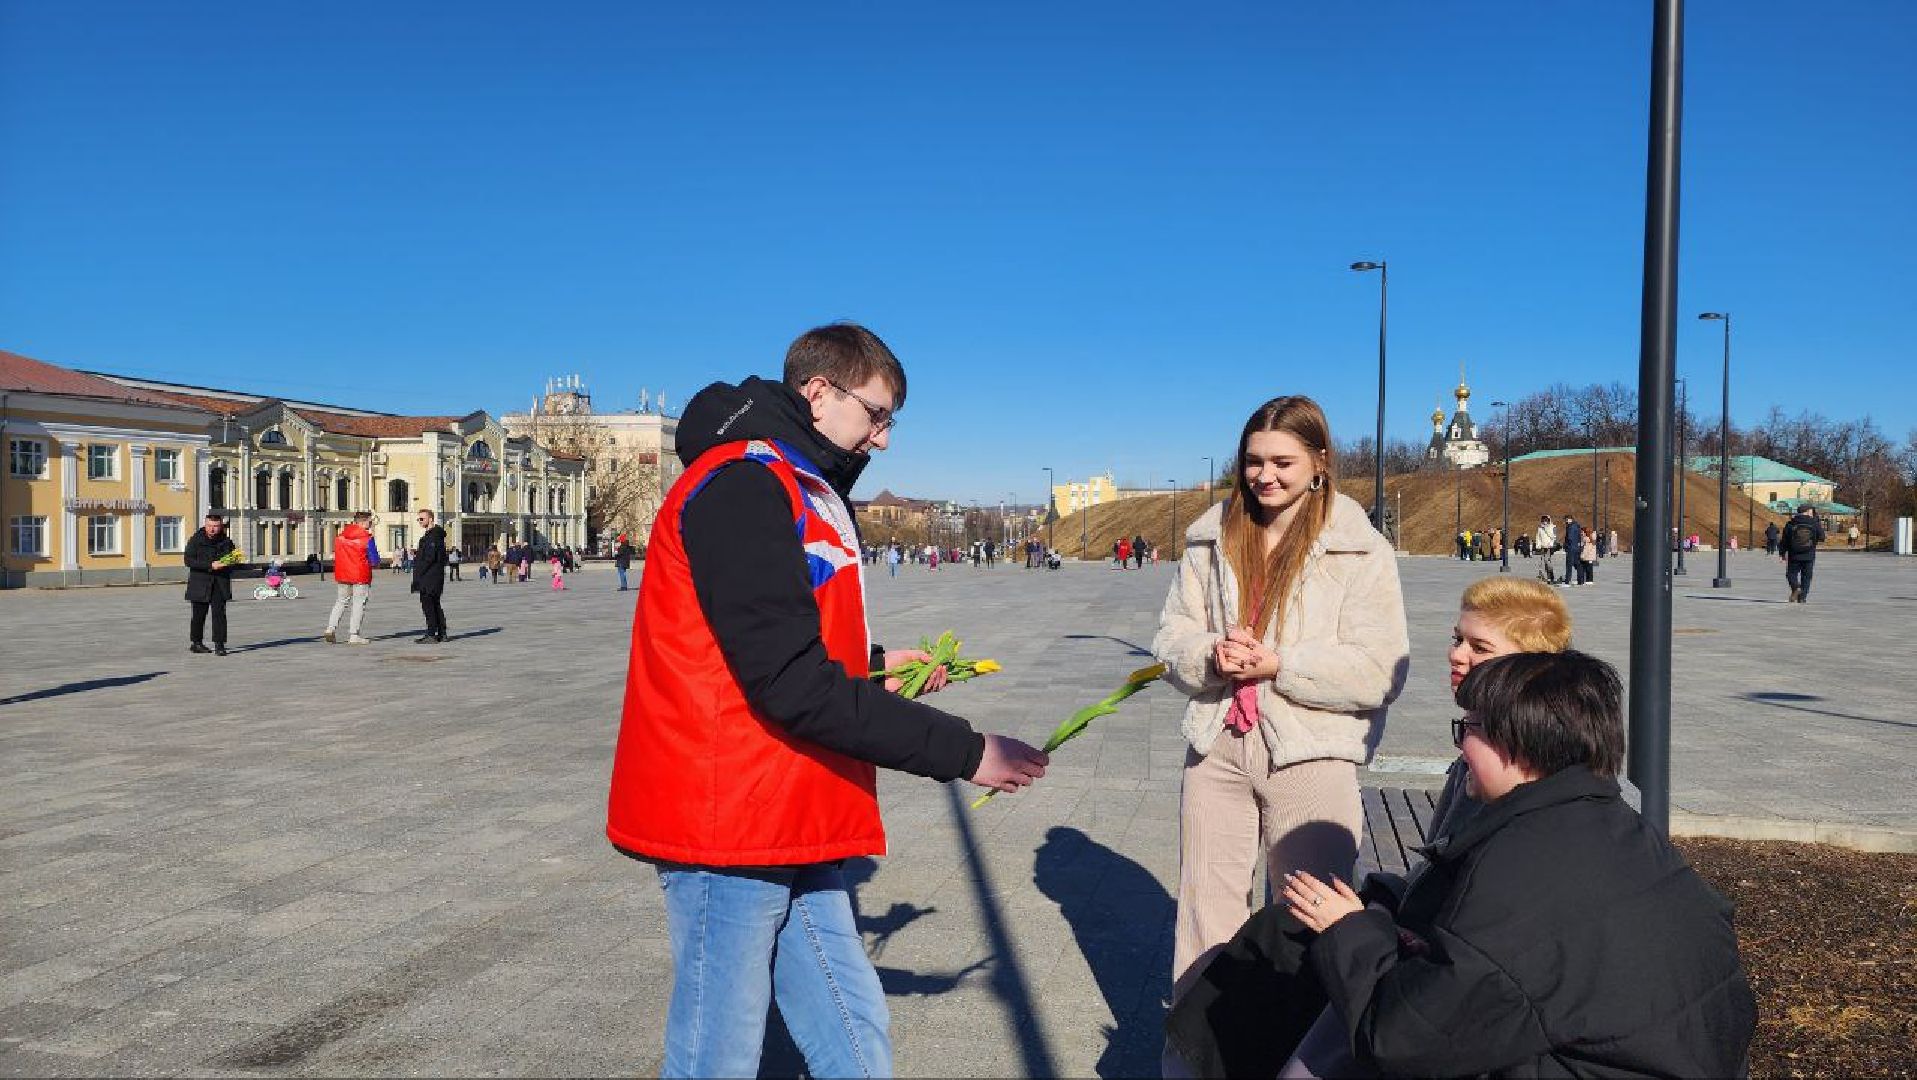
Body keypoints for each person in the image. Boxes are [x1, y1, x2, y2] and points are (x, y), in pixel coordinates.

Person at [605, 322, 1050, 1078]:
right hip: (728, 814)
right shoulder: (742, 483)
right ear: (819, 392)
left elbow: (772, 632)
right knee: (721, 1044)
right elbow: (787, 682)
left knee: (852, 1019)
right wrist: (968, 752)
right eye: (876, 416)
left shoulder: (792, 481)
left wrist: (874, 665)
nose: (882, 440)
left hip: (792, 804)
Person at [1165, 574, 1581, 1077]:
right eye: (1456, 638)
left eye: (1479, 647)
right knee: (1276, 931)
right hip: (1420, 933)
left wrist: (1363, 925)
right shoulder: (1474, 752)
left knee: (1298, 967)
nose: (1456, 654)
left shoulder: (1519, 765)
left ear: (1530, 669)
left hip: (1454, 972)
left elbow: (1486, 918)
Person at [1280, 652, 1756, 1079]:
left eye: (1468, 729)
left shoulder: (1519, 869)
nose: (1461, 747)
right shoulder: (1614, 826)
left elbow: (1404, 1038)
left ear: (1515, 745)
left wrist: (1348, 932)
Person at [1152, 395, 1410, 1066]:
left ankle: (1300, 1058)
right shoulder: (1211, 537)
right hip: (1217, 744)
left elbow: (1380, 669)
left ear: (1320, 462)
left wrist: (1281, 663)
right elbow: (1169, 636)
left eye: (1282, 462)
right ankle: (1195, 1058)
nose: (1264, 476)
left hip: (1310, 753)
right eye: (1253, 462)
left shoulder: (1360, 549)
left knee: (1310, 918)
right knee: (1206, 914)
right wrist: (1209, 653)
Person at [183, 513, 237, 655]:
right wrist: (210, 565)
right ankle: (196, 643)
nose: (212, 529)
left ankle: (219, 645)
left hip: (219, 583)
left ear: (221, 526)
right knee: (198, 615)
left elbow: (234, 561)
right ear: (205, 525)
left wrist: (227, 563)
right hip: (200, 582)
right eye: (210, 526)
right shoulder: (196, 540)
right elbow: (188, 560)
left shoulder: (226, 542)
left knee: (219, 615)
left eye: (216, 526)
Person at [324, 511, 379, 646]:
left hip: (343, 574)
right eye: (369, 521)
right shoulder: (367, 538)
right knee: (359, 603)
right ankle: (354, 634)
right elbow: (374, 560)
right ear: (362, 522)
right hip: (360, 575)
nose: (371, 524)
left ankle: (330, 628)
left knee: (341, 601)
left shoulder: (341, 537)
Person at [411, 509, 448, 643]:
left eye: (422, 519)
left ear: (430, 519)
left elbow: (430, 557)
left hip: (430, 576)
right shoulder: (432, 535)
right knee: (434, 604)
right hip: (433, 575)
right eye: (419, 519)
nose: (420, 521)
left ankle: (432, 633)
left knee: (429, 605)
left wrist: (419, 570)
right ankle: (442, 633)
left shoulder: (433, 536)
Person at [1781, 505, 1825, 603]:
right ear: (1808, 511)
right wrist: (1814, 540)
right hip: (1809, 554)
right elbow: (1822, 537)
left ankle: (1796, 588)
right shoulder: (1814, 523)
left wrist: (1782, 554)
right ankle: (1802, 597)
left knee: (1791, 574)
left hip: (1794, 554)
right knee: (1806, 576)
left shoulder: (1791, 523)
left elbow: (1784, 540)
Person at [1533, 515, 1558, 584]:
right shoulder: (1540, 528)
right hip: (1543, 546)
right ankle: (1549, 577)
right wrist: (1538, 545)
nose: (1544, 522)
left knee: (1547, 561)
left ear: (1548, 521)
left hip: (1549, 546)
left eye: (1546, 521)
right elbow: (1538, 537)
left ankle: (1551, 576)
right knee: (1544, 562)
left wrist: (1546, 529)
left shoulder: (1552, 527)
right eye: (1543, 521)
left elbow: (1553, 537)